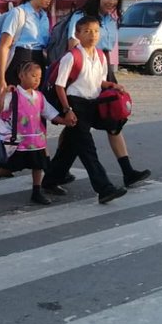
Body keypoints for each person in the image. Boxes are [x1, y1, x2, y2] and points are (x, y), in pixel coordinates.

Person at [65, 0, 151, 187]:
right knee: (77, 129)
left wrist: (110, 78)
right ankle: (57, 172)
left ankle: (127, 171)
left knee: (114, 119)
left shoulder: (111, 20)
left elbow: (108, 51)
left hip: (104, 71)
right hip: (84, 73)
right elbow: (73, 47)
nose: (112, 1)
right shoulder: (81, 17)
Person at [42, 15, 128, 205]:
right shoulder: (71, 57)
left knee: (70, 147)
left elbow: (99, 81)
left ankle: (50, 179)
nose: (92, 35)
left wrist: (112, 85)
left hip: (93, 104)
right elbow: (59, 86)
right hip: (75, 105)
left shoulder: (100, 55)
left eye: (96, 31)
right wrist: (67, 110)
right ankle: (104, 188)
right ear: (78, 34)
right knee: (88, 150)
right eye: (87, 31)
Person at [0, 60, 58, 205]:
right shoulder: (13, 95)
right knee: (11, 165)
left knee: (38, 165)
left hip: (36, 140)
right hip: (18, 140)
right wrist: (3, 93)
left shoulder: (39, 96)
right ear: (21, 75)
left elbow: (49, 112)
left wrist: (64, 120)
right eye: (33, 76)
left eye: (39, 77)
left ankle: (36, 191)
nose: (37, 80)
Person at [0, 0, 54, 92]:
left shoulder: (44, 17)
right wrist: (1, 78)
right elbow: (4, 46)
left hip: (38, 62)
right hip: (19, 62)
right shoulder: (18, 13)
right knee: (16, 100)